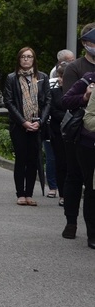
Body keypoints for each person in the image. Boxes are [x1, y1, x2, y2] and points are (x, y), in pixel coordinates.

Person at [3, 47, 51, 206]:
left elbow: (48, 101)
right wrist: (23, 122)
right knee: (21, 159)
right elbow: (9, 102)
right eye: (23, 57)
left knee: (33, 160)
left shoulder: (42, 77)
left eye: (29, 57)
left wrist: (40, 121)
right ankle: (20, 194)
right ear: (19, 59)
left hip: (37, 124)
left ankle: (29, 194)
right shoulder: (12, 78)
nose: (26, 59)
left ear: (34, 59)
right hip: (19, 126)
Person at [61, 24, 95, 240]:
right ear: (85, 44)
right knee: (75, 175)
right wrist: (84, 97)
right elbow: (66, 100)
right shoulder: (76, 68)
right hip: (78, 130)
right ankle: (71, 221)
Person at [48, 62, 69, 206]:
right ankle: (62, 194)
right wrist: (67, 117)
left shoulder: (77, 92)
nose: (60, 79)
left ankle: (71, 193)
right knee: (60, 163)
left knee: (72, 165)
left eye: (63, 76)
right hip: (57, 132)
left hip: (73, 133)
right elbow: (52, 110)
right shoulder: (54, 93)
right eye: (59, 76)